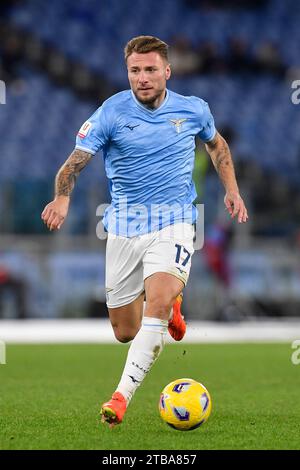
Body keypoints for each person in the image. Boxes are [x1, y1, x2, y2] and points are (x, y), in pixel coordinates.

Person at [41, 35, 248, 427]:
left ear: (167, 71)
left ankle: (120, 397)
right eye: (135, 70)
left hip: (175, 223)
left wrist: (232, 191)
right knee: (125, 331)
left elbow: (217, 147)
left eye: (150, 69)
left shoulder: (192, 110)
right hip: (123, 228)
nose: (142, 77)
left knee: (155, 303)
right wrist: (62, 198)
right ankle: (172, 307)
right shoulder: (110, 112)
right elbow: (73, 163)